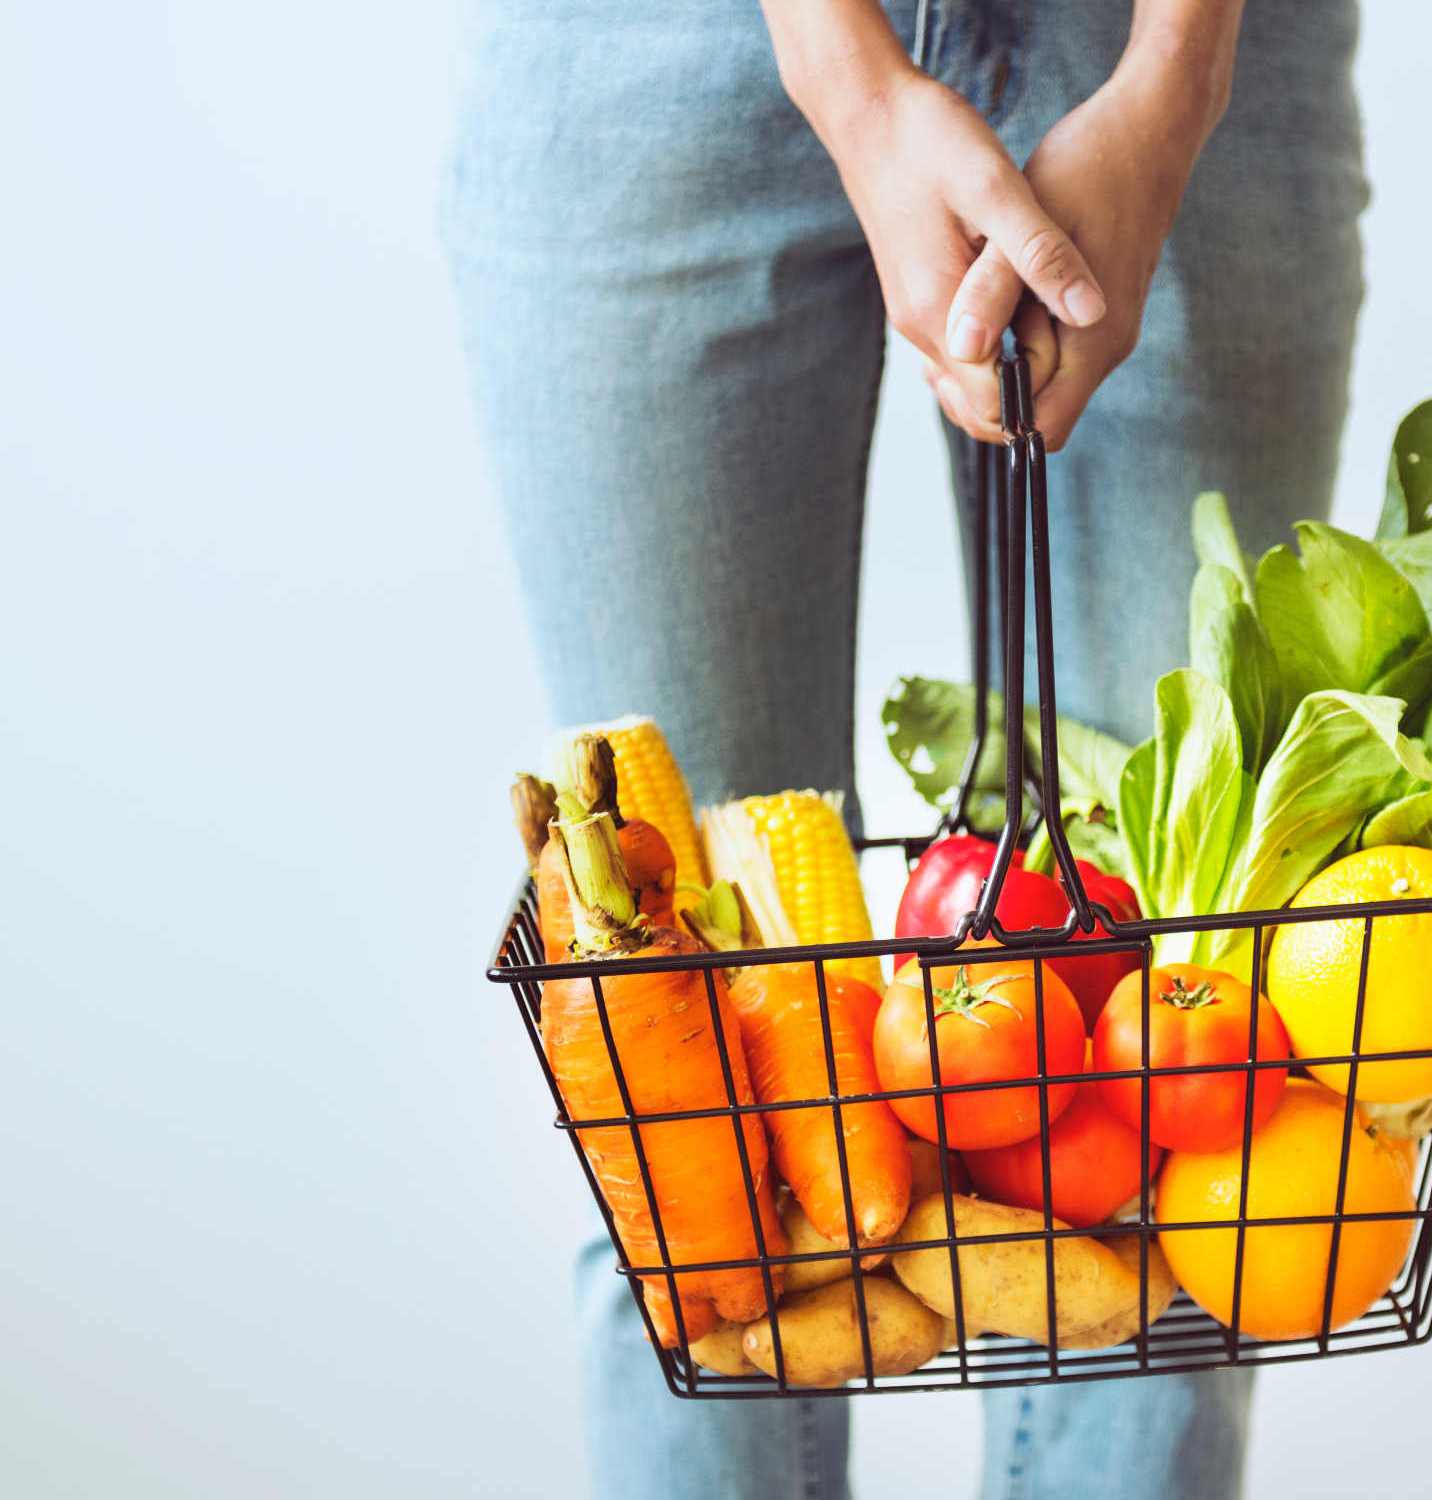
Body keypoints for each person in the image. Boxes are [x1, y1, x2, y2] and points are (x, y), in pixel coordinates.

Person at [444, 1, 1365, 1495]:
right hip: (651, 59)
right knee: (679, 1127)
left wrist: (1177, 73)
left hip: (1174, 51)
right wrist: (840, 68)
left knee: (1190, 1144)